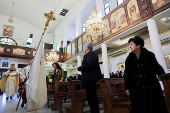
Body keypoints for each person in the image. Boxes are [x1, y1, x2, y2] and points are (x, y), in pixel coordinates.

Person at [124, 36, 168, 113]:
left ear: (138, 45)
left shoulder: (149, 55)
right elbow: (127, 74)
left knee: (154, 107)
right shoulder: (129, 59)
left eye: (132, 44)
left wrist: (164, 75)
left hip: (151, 86)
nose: (130, 46)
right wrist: (127, 87)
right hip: (136, 88)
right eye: (129, 45)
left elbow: (156, 67)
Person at [77, 43, 103, 113]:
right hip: (88, 79)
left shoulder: (91, 54)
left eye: (84, 47)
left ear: (87, 47)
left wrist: (80, 68)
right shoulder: (88, 54)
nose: (83, 49)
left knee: (92, 98)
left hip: (90, 79)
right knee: (91, 98)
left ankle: (95, 111)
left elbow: (89, 64)